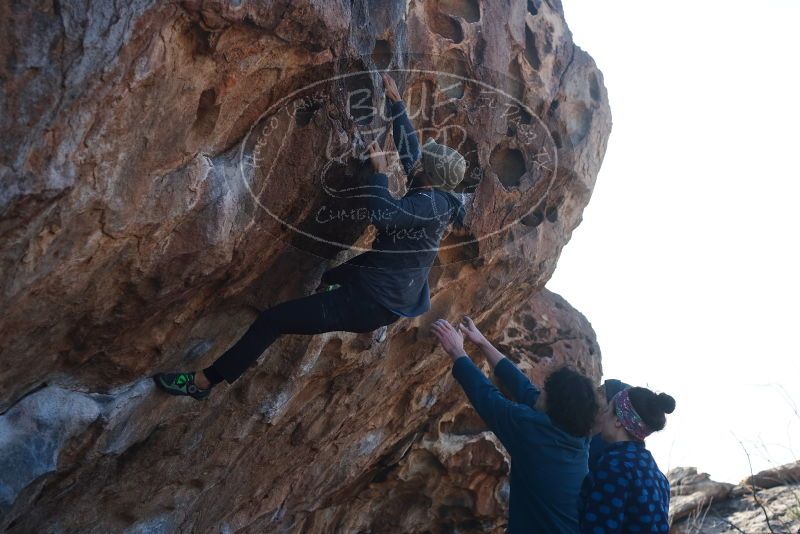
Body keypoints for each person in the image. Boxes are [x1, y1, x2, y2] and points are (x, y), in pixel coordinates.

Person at [154, 73, 467, 400]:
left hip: (368, 303)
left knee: (273, 321)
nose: (418, 163)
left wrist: (380, 174)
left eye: (424, 164)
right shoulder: (438, 194)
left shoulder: (427, 204)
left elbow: (385, 216)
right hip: (382, 285)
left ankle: (202, 383)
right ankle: (330, 284)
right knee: (331, 276)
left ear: (428, 176)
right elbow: (413, 156)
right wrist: (397, 104)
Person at [431, 316, 599, 534]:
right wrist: (482, 342)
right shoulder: (577, 438)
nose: (540, 390)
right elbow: (525, 389)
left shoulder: (535, 436)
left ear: (554, 406)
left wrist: (457, 351)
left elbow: (489, 399)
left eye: (545, 391)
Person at [579, 386, 676, 534]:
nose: (602, 416)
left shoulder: (615, 466)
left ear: (618, 420)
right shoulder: (658, 476)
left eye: (606, 411)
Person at [589, 379, 631, 471]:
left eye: (601, 392)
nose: (594, 392)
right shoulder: (580, 428)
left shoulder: (608, 453)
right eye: (598, 389)